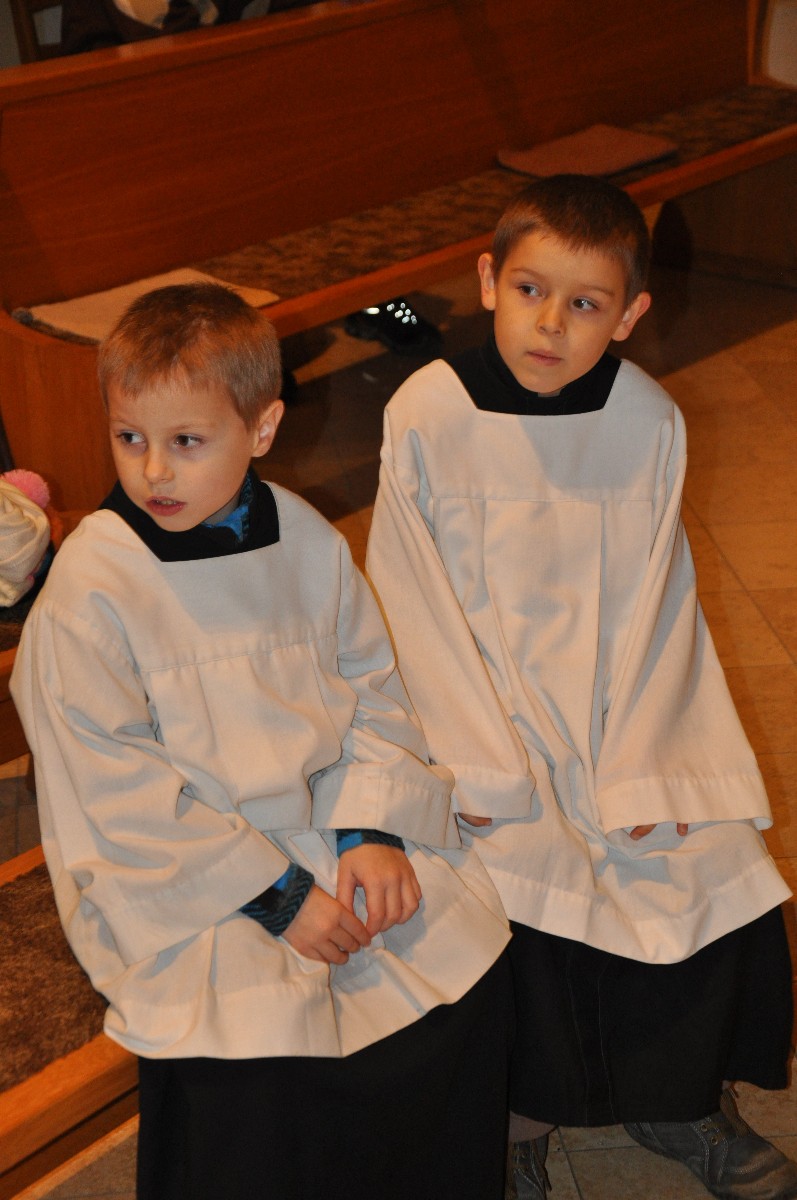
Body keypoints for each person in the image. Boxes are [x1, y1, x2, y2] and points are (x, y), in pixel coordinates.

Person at [10, 282, 513, 1200]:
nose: (152, 472)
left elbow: (371, 690)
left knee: (455, 966)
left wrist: (371, 830)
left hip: (325, 823)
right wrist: (278, 899)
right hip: (192, 879)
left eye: (186, 441)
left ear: (262, 427)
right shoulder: (94, 585)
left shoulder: (306, 541)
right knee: (261, 1053)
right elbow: (111, 789)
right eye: (129, 437)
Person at [365, 175, 796, 1200]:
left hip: (616, 713)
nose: (550, 324)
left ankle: (677, 1100)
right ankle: (511, 1125)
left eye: (585, 303)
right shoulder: (427, 411)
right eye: (529, 290)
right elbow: (406, 600)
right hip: (473, 721)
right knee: (507, 879)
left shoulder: (645, 419)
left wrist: (648, 762)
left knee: (706, 858)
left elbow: (660, 600)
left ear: (629, 315)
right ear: (487, 281)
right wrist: (477, 763)